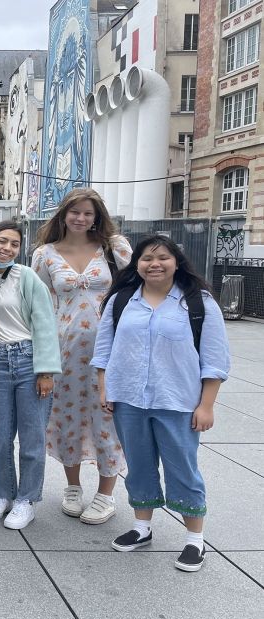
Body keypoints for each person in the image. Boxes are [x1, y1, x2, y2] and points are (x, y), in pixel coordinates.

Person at [92, 234, 229, 572]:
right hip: (129, 400)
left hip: (178, 401)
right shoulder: (122, 300)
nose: (154, 264)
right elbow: (103, 351)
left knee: (182, 468)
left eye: (163, 257)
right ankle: (142, 527)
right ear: (136, 265)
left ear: (177, 262)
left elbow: (214, 360)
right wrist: (104, 388)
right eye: (146, 258)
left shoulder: (199, 303)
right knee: (138, 465)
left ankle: (194, 540)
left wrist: (206, 405)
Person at [31, 188, 132, 524]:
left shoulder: (113, 248)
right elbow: (41, 304)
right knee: (67, 417)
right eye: (75, 212)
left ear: (97, 216)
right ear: (63, 214)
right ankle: (72, 485)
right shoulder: (45, 254)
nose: (81, 218)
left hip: (109, 350)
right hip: (65, 351)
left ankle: (106, 493)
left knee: (107, 417)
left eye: (88, 213)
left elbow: (136, 288)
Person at [0, 221, 61, 530]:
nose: (7, 248)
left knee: (32, 437)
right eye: (2, 241)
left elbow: (44, 324)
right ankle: (3, 493)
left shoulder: (27, 278)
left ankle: (27, 499)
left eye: (14, 244)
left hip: (29, 361)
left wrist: (46, 372)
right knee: (0, 436)